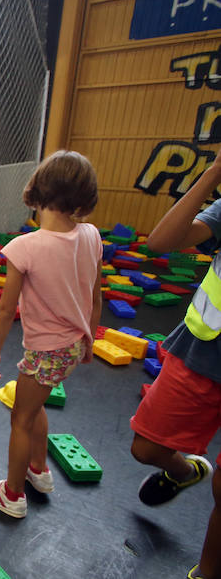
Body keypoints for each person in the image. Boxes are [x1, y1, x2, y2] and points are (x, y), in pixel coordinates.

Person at [0, 150, 102, 519]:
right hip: (73, 346)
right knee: (35, 402)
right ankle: (38, 470)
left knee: (20, 418)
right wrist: (89, 340)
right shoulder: (91, 236)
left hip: (46, 352)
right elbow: (96, 297)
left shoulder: (25, 247)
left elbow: (5, 310)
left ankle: (11, 494)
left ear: (38, 189)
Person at [130, 158, 221, 579]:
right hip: (202, 351)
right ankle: (185, 471)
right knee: (146, 449)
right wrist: (214, 171)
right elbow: (161, 243)